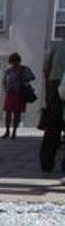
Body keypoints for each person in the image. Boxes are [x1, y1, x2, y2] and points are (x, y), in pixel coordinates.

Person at [40, 39, 65, 172]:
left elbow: (45, 67)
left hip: (55, 85)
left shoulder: (55, 45)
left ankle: (47, 162)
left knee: (52, 126)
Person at [1, 53, 35, 139]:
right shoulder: (9, 71)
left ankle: (14, 132)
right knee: (8, 112)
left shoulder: (24, 69)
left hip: (19, 93)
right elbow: (4, 81)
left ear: (19, 61)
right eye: (12, 61)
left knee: (17, 113)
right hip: (10, 93)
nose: (14, 63)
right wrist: (6, 89)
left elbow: (32, 77)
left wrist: (23, 78)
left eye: (16, 61)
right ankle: (7, 131)